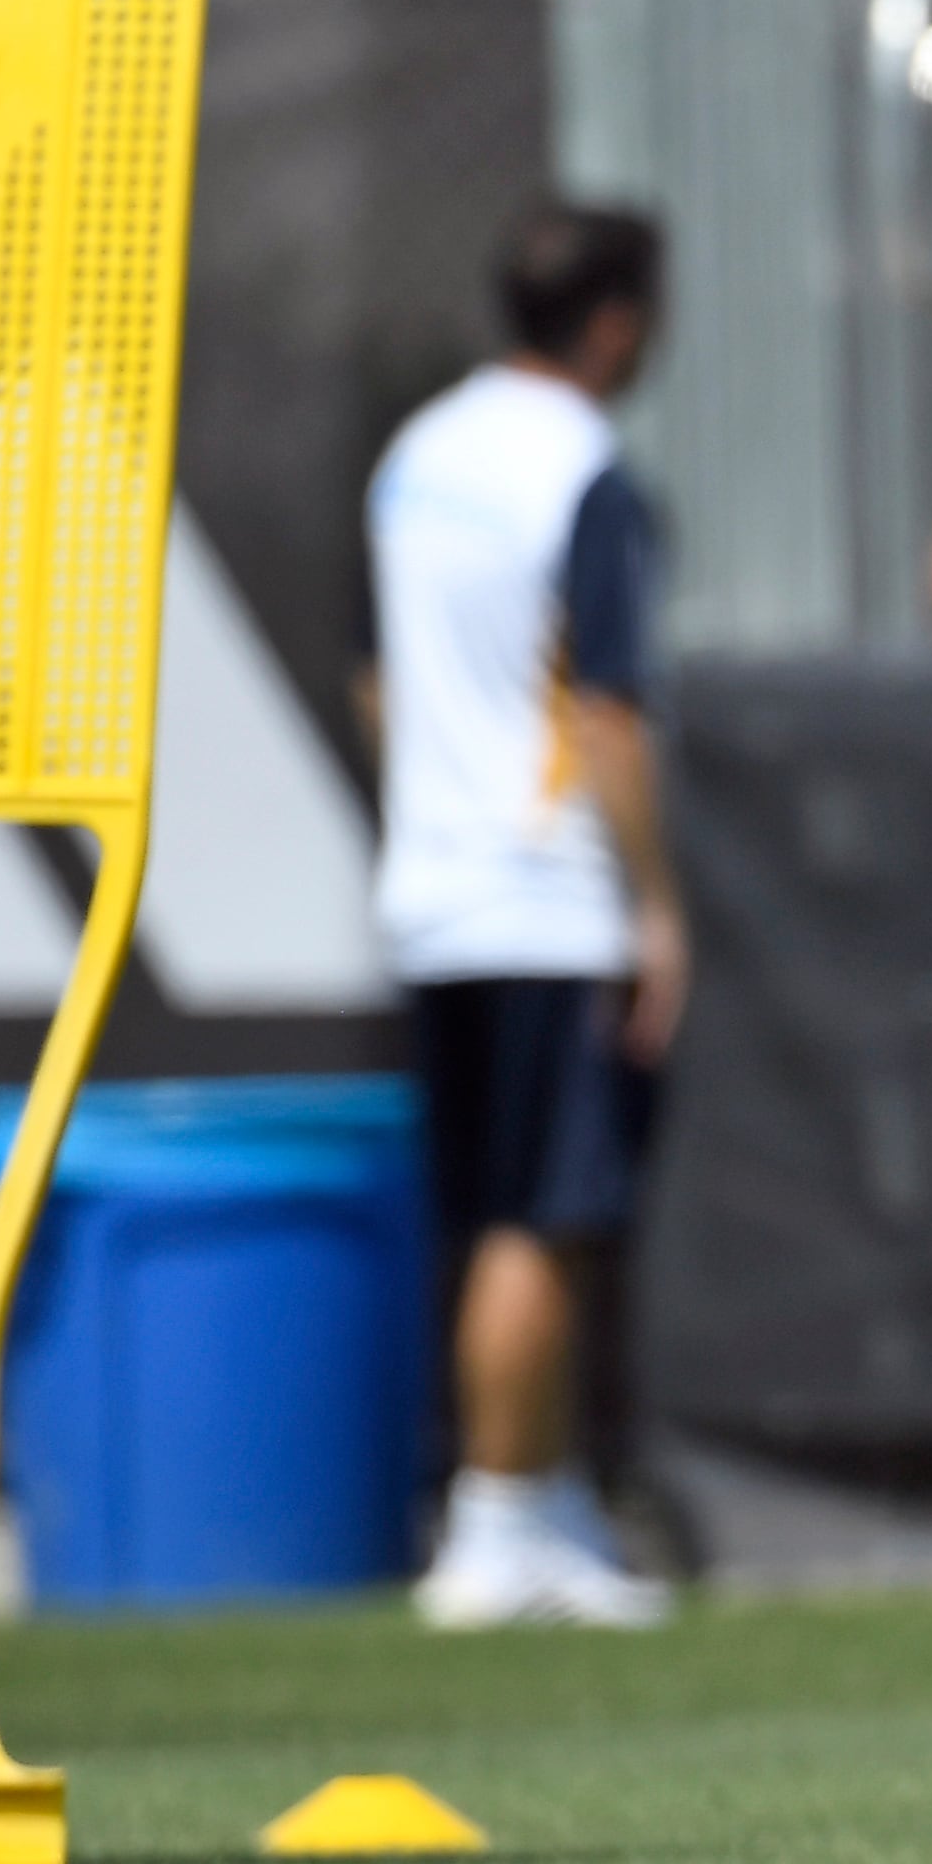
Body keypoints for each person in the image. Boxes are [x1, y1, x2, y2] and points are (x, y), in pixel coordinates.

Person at [370, 198, 683, 1631]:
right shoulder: (583, 469)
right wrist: (658, 907)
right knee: (538, 1221)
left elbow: (379, 684)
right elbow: (608, 709)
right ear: (616, 321)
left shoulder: (415, 456)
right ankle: (494, 1526)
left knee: (501, 1210)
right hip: (547, 895)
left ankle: (538, 1497)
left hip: (436, 885)